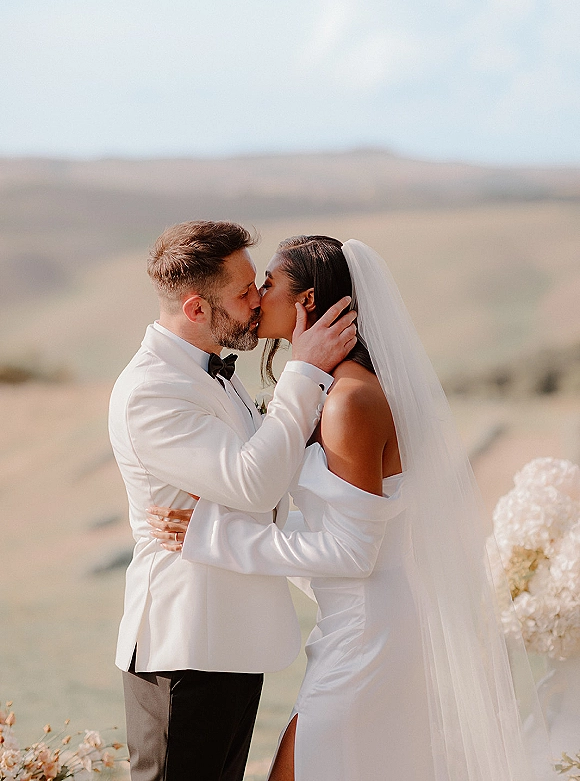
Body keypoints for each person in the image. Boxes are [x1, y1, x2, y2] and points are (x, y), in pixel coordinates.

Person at [151, 235, 554, 781]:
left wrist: (210, 536)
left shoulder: (349, 402)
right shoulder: (330, 391)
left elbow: (353, 551)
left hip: (370, 633)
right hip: (352, 625)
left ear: (307, 302)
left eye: (268, 285)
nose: (257, 297)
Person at [108, 220, 358, 781]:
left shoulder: (211, 373)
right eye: (244, 293)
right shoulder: (152, 390)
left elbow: (263, 474)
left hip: (235, 642)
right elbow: (255, 484)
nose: (257, 303)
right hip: (186, 646)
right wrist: (305, 373)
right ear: (196, 309)